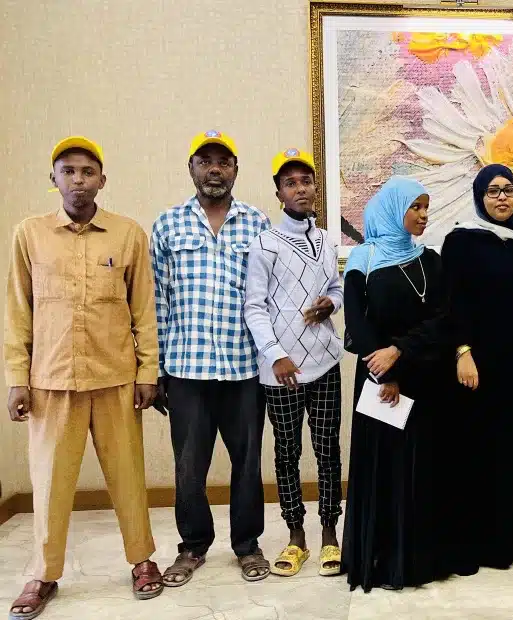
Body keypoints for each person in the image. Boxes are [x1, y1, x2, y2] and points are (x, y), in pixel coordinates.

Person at [5, 137, 164, 619]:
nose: (78, 179)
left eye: (87, 171)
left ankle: (142, 560)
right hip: (51, 381)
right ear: (53, 179)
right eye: (68, 171)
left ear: (102, 179)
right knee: (50, 481)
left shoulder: (127, 233)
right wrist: (17, 376)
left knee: (128, 477)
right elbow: (17, 312)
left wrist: (147, 371)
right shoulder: (29, 234)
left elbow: (144, 310)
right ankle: (43, 573)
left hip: (115, 377)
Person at [152, 130, 272, 585]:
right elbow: (157, 300)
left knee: (246, 464)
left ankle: (247, 545)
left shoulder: (257, 224)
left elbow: (268, 296)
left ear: (236, 169)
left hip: (244, 368)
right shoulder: (168, 224)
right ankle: (193, 547)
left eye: (223, 161)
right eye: (205, 161)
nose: (214, 169)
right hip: (186, 370)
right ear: (192, 169)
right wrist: (158, 368)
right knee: (189, 466)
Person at [340, 176, 456, 591]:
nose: (424, 215)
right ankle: (383, 558)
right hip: (379, 381)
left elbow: (443, 321)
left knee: (421, 466)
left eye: (426, 207)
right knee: (384, 465)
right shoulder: (363, 258)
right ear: (394, 209)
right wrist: (385, 371)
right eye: (416, 207)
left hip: (423, 377)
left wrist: (401, 353)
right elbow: (357, 320)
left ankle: (417, 559)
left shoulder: (432, 260)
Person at [243, 149, 344, 578]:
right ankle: (295, 535)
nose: (301, 188)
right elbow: (254, 307)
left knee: (328, 450)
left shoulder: (327, 241)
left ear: (315, 187)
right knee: (286, 453)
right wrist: (277, 355)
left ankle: (328, 534)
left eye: (307, 180)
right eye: (291, 183)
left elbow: (337, 288)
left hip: (324, 363)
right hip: (281, 371)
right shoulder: (264, 243)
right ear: (279, 193)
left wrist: (330, 303)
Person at [443, 164, 513, 570]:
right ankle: (477, 543)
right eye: (493, 191)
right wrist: (462, 352)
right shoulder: (460, 241)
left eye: (509, 190)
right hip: (477, 364)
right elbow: (450, 303)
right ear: (479, 197)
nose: (502, 198)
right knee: (477, 448)